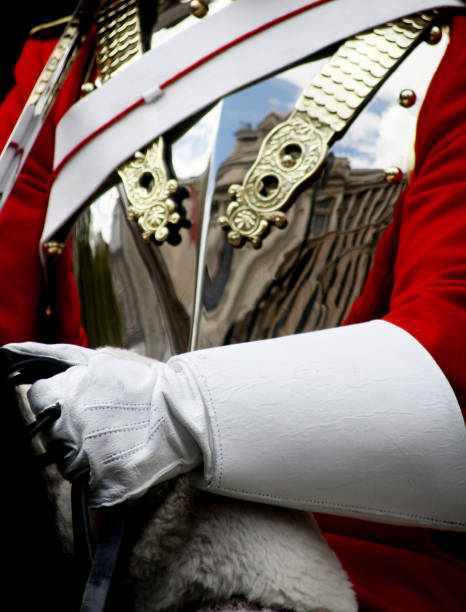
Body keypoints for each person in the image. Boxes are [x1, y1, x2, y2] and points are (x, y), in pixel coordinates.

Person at [2, 1, 465, 610]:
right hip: (91, 540)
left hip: (348, 566)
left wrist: (183, 413)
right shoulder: (72, 49)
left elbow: (452, 339)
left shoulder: (448, 44)